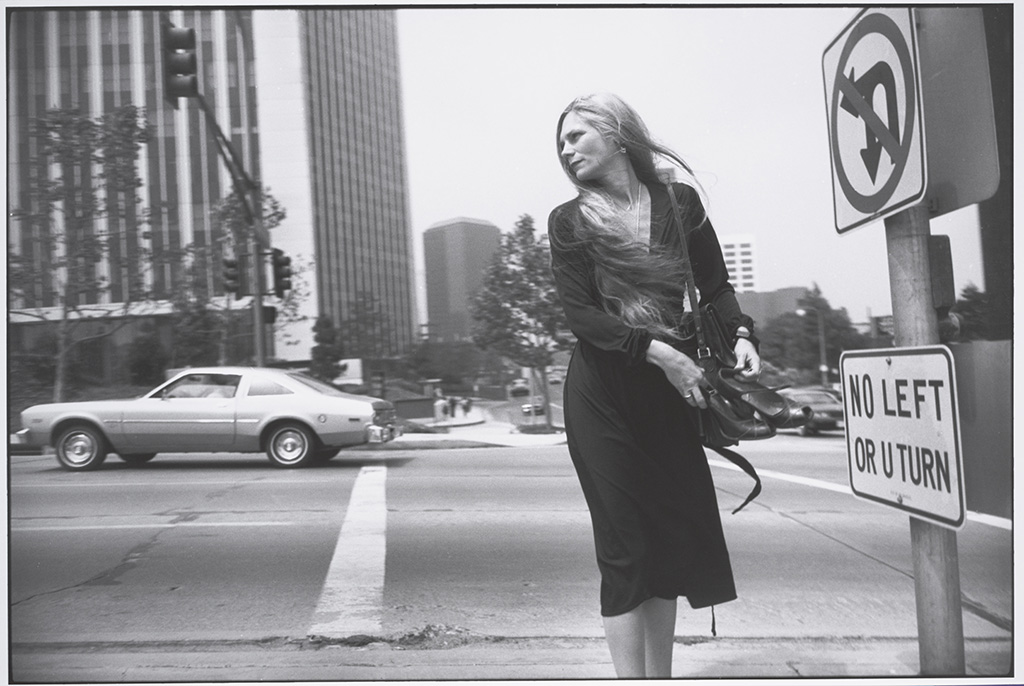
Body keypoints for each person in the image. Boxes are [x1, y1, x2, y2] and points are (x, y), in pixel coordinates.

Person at [547, 93, 761, 678]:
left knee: (666, 544)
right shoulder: (568, 222)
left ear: (617, 136)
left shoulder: (678, 203)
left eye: (576, 136)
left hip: (671, 395)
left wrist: (742, 335)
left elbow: (716, 285)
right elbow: (583, 318)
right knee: (626, 552)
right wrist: (663, 353)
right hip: (602, 395)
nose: (565, 151)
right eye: (560, 143)